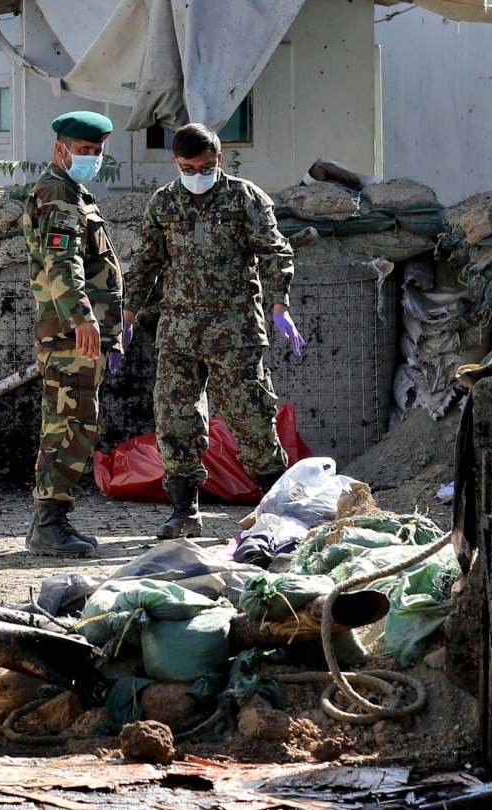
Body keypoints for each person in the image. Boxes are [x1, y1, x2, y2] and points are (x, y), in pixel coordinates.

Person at [124, 121, 297, 539]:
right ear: (175, 163)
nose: (196, 175)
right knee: (175, 417)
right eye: (187, 167)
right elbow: (146, 261)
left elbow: (274, 252)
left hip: (233, 329)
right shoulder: (163, 203)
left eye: (204, 166)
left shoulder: (245, 198)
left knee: (250, 415)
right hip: (178, 330)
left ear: (219, 159)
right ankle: (184, 511)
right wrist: (127, 315)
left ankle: (278, 512)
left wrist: (279, 305)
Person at [19, 109, 125, 559]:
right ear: (60, 148)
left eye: (97, 152)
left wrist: (113, 329)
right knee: (67, 426)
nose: (91, 158)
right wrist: (83, 318)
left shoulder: (73, 193)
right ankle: (48, 525)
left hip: (77, 336)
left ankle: (54, 521)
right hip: (69, 336)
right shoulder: (58, 195)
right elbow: (62, 264)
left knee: (74, 423)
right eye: (84, 151)